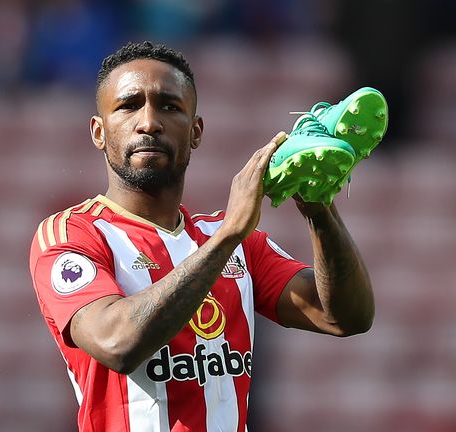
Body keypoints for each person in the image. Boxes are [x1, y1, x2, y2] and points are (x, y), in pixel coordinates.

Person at [28, 41, 375, 431]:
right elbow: (117, 343)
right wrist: (227, 236)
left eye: (169, 106)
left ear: (195, 132)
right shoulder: (72, 235)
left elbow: (346, 317)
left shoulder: (237, 243)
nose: (148, 122)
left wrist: (319, 209)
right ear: (98, 131)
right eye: (128, 105)